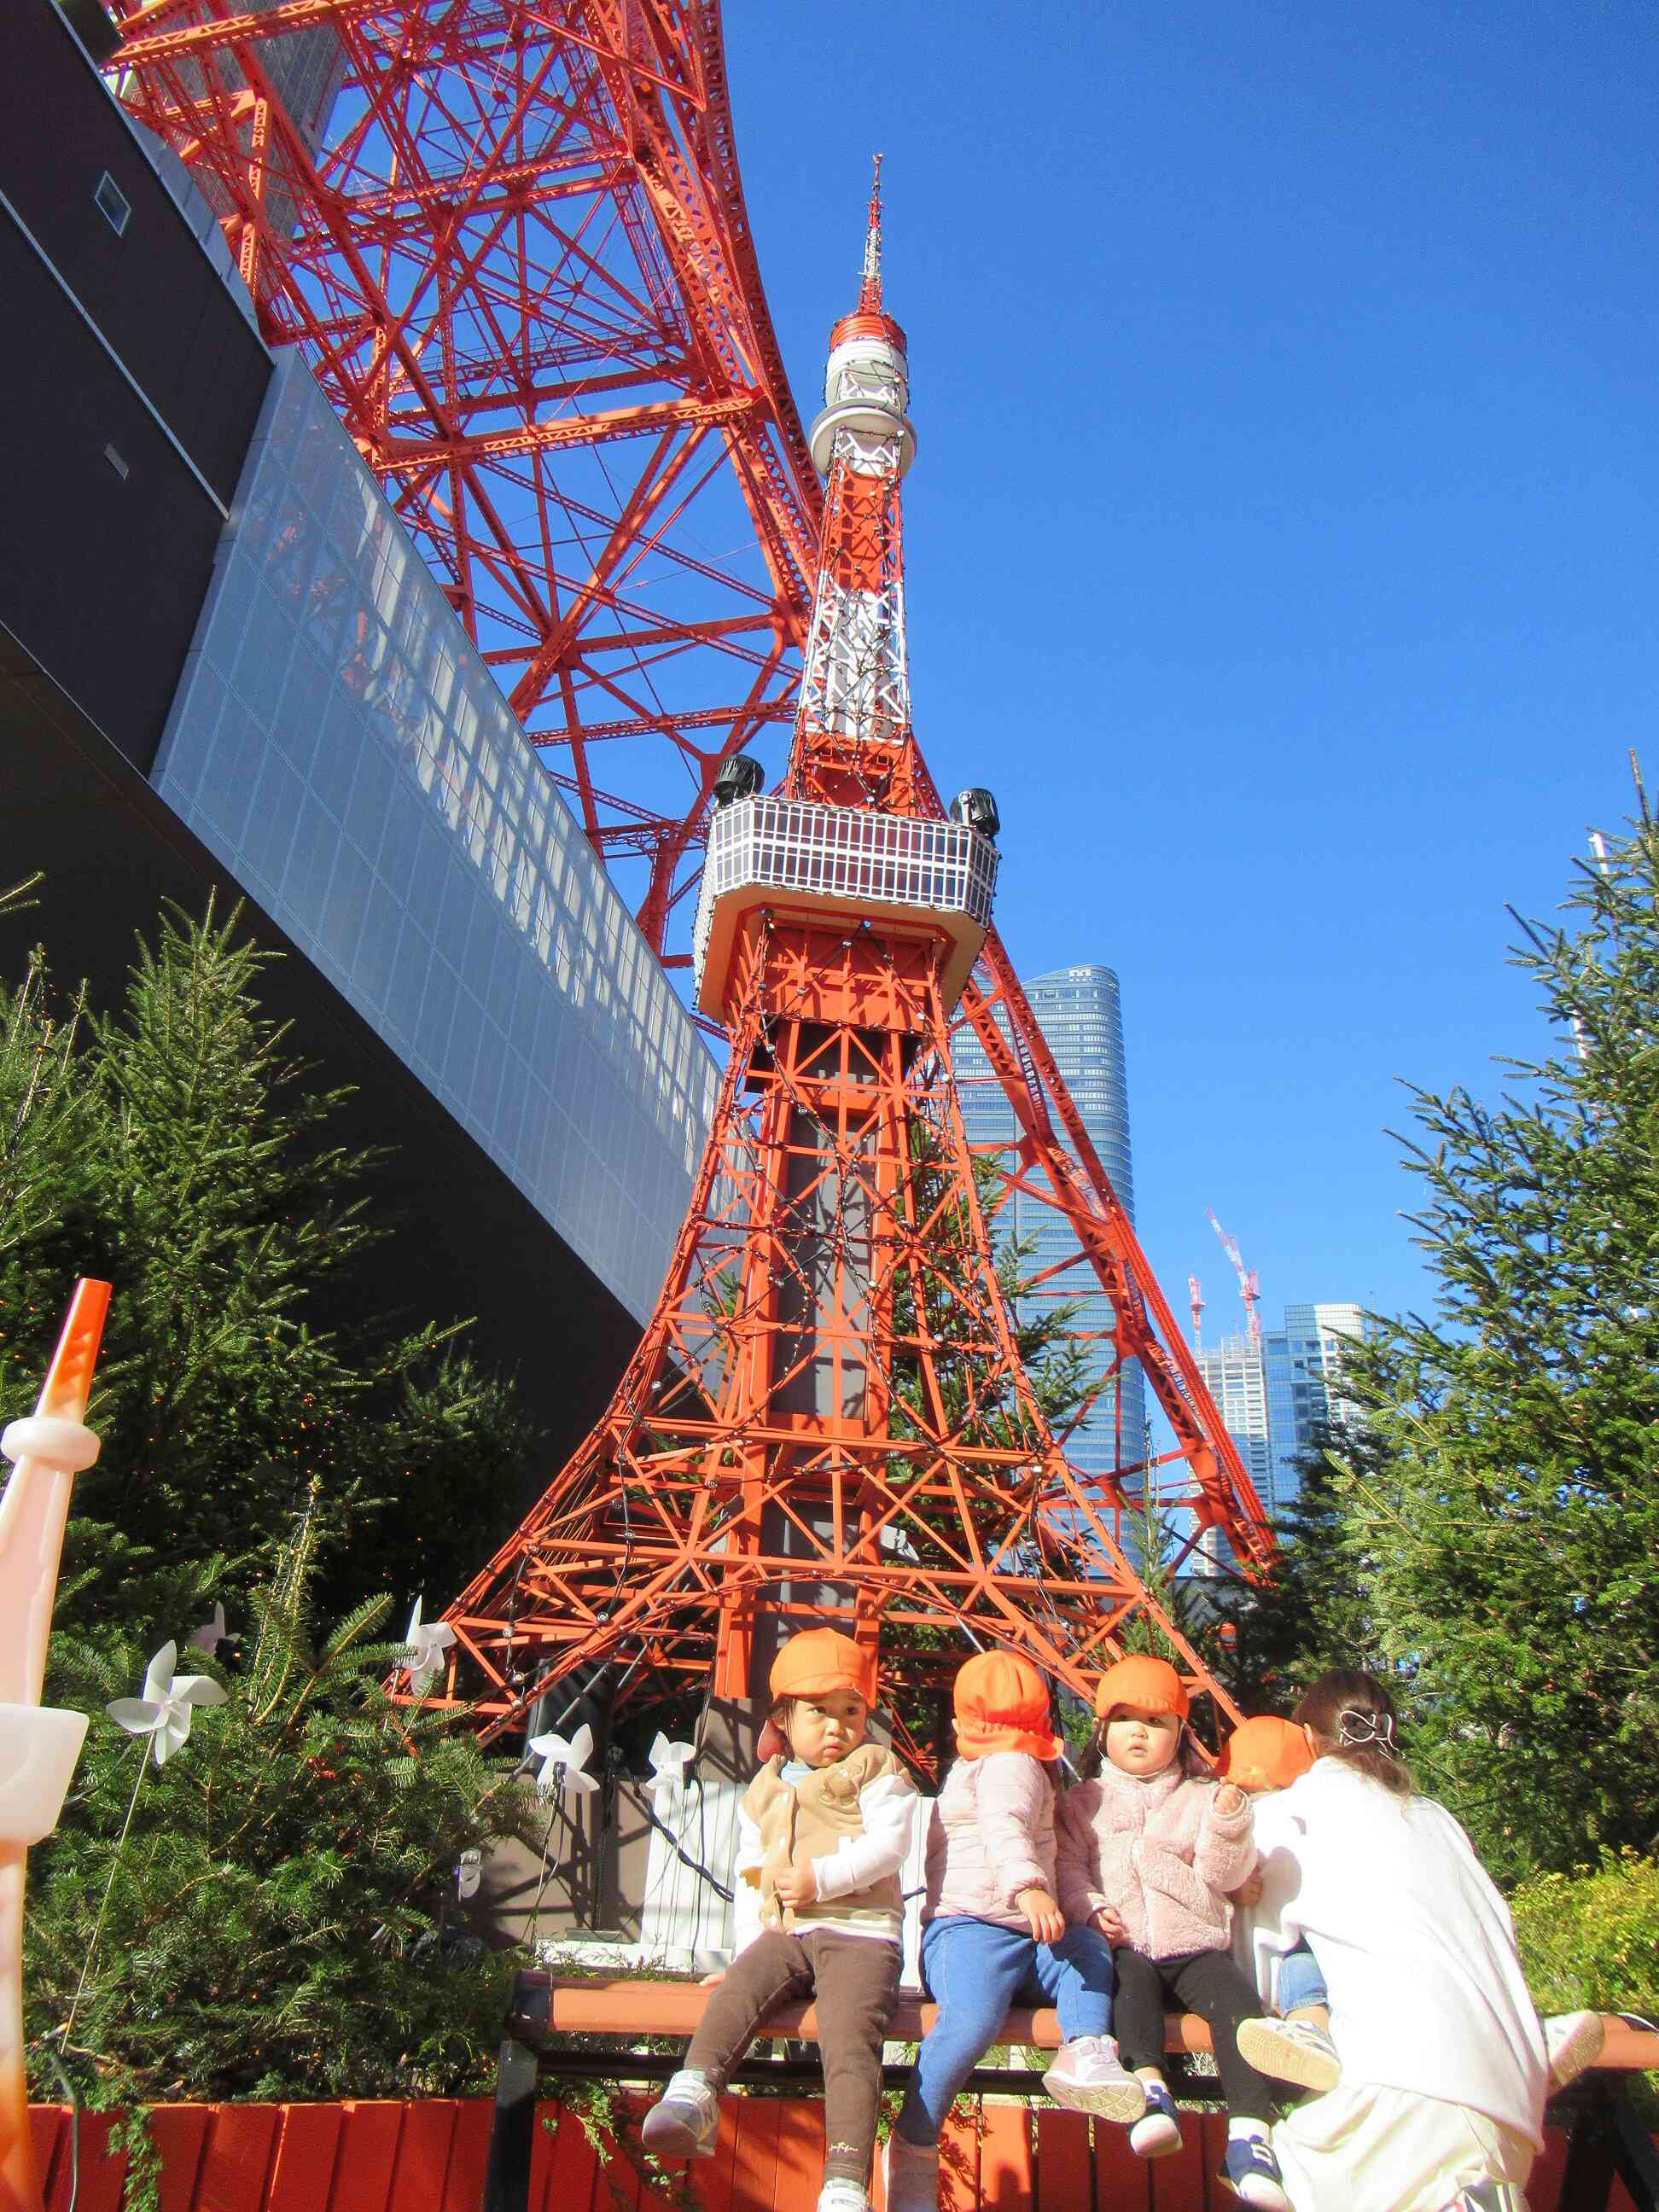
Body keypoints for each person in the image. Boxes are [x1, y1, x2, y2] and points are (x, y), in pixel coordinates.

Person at [1252, 1669, 1549, 2212]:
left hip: (1402, 2093)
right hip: (1516, 2109)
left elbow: (1258, 1956)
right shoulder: (1437, 1819)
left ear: (1306, 1739)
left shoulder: (1285, 1814)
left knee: (1269, 2175)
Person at [642, 1627, 917, 2212]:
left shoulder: (876, 1768)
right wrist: (748, 1949)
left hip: (861, 1934)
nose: (838, 1725)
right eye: (819, 1711)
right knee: (735, 1992)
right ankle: (694, 2092)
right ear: (784, 1719)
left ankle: (845, 2181)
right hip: (786, 1933)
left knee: (850, 2044)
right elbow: (751, 1876)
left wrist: (823, 1879)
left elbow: (890, 1846)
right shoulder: (762, 1790)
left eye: (852, 1709)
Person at [883, 1650, 1138, 2212]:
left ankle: (1085, 2046)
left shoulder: (997, 1761)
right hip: (970, 1928)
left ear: (959, 1726)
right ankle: (915, 2138)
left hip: (1024, 1932)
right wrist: (1029, 1885)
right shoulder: (1011, 1763)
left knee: (1085, 1951)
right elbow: (1005, 1826)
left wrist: (1072, 1904)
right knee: (976, 2016)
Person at [1056, 1654, 1292, 2210]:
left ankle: (1251, 2136)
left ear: (1180, 1733)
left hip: (1194, 1943)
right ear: (1101, 1730)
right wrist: (1087, 1905)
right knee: (1128, 1986)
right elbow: (1067, 1866)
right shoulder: (1082, 1802)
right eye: (1125, 1719)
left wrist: (1232, 1822)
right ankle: (1151, 2090)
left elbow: (1225, 1874)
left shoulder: (1201, 1799)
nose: (1139, 1731)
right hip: (1128, 1942)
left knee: (1237, 2005)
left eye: (1156, 1721)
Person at [1220, 1713, 1343, 2096]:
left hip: (1235, 1975)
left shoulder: (1222, 1823)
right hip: (1292, 1973)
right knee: (1306, 1953)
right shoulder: (1304, 1818)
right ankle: (1311, 2028)